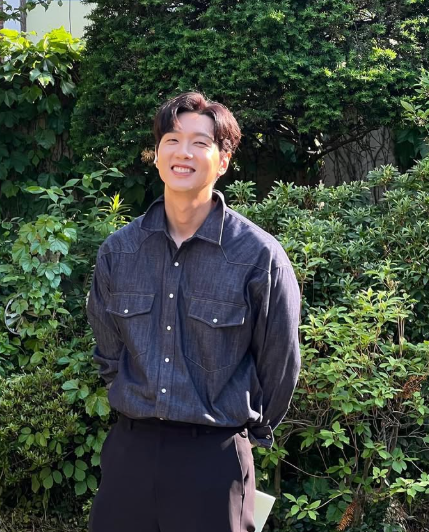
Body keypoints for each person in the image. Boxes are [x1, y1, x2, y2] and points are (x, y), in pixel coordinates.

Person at [86, 92, 301, 532]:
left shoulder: (258, 257)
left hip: (213, 465)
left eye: (200, 143)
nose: (183, 152)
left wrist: (250, 433)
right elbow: (109, 353)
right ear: (157, 154)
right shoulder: (119, 252)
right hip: (131, 455)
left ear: (223, 161)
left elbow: (280, 364)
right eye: (172, 140)